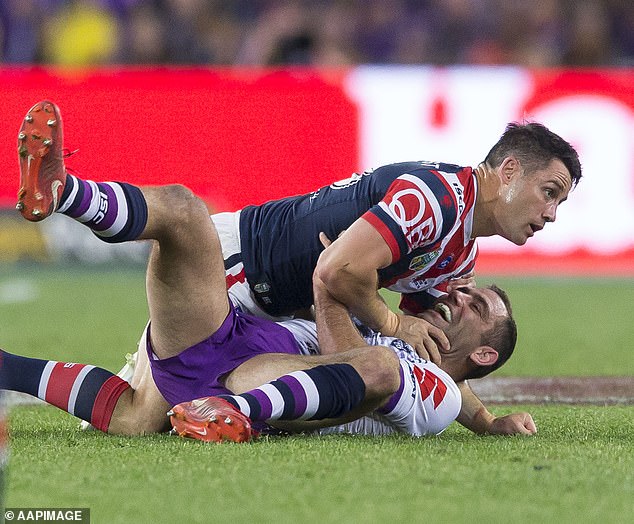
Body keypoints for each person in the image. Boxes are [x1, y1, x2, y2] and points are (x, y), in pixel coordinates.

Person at [17, 100, 564, 435]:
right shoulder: (437, 198)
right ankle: (64, 192)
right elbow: (338, 274)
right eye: (549, 192)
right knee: (183, 215)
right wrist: (392, 321)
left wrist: (487, 422)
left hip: (271, 309)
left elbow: (432, 359)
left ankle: (8, 368)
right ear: (509, 169)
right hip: (241, 268)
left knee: (141, 418)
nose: (551, 213)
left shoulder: (459, 254)